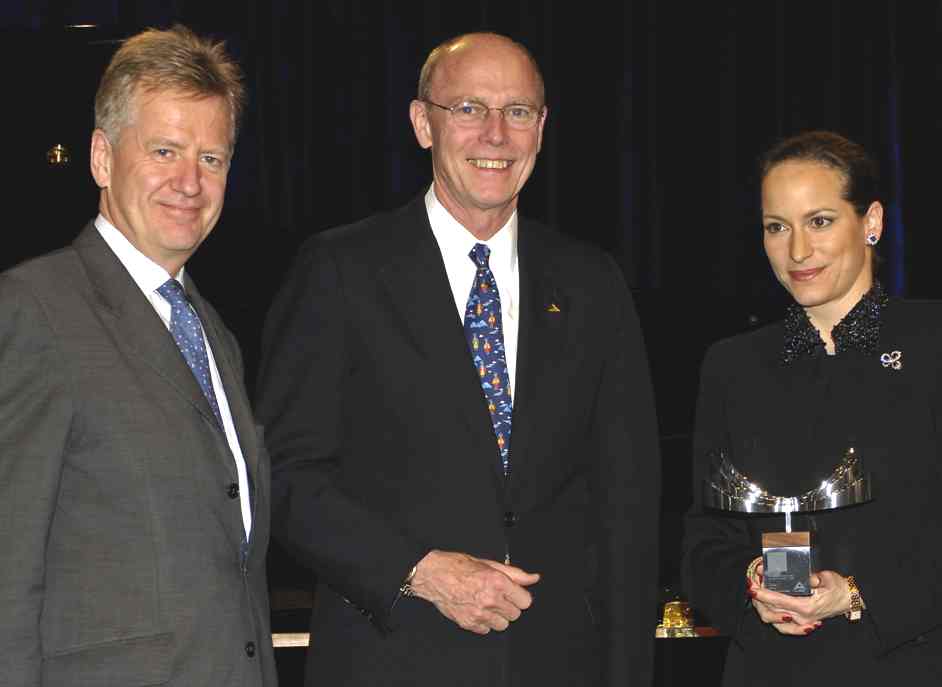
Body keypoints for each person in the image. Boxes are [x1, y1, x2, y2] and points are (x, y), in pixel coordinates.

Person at [256, 31, 660, 687]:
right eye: (469, 109)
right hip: (390, 661)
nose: (495, 135)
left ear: (542, 127)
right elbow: (284, 475)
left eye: (518, 112)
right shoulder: (340, 271)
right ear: (423, 123)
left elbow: (630, 509)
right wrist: (418, 568)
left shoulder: (592, 283)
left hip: (558, 665)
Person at [0, 26, 276, 686]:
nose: (190, 180)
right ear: (101, 157)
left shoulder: (217, 336)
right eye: (164, 150)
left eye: (212, 158)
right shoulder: (33, 310)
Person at [682, 130, 942, 683]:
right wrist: (752, 583)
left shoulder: (932, 344)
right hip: (769, 669)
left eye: (819, 221)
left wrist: (855, 594)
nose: (797, 251)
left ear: (871, 222)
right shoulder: (732, 366)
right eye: (777, 228)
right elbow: (704, 543)